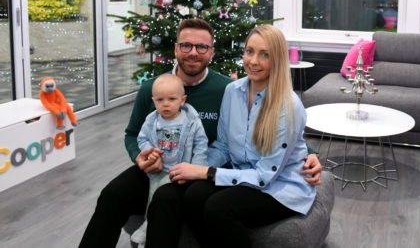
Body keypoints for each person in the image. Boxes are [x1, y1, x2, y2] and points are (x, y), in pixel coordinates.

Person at [79, 19, 322, 247]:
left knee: (176, 197)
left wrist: (308, 153)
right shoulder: (152, 89)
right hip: (158, 164)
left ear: (211, 52)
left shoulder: (223, 88)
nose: (193, 52)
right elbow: (133, 134)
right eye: (186, 45)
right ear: (176, 49)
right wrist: (139, 155)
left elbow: (280, 136)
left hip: (201, 166)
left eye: (201, 47)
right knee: (111, 194)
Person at [145, 24, 316, 247]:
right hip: (242, 173)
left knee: (218, 208)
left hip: (280, 188)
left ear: (278, 60)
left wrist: (207, 172)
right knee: (192, 195)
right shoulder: (232, 91)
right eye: (249, 51)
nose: (253, 61)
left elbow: (265, 177)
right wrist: (194, 167)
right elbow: (223, 146)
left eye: (265, 54)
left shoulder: (288, 106)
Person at [129, 74, 209, 246]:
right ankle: (148, 224)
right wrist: (148, 152)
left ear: (182, 100)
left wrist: (197, 167)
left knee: (162, 197)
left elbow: (201, 143)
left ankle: (150, 227)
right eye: (160, 100)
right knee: (152, 196)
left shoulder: (191, 121)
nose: (165, 104)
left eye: (171, 99)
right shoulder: (151, 121)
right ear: (153, 100)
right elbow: (142, 139)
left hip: (180, 169)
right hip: (158, 169)